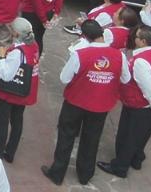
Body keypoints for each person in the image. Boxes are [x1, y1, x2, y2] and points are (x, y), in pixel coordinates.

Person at [40, 19, 131, 185]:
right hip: (101, 105)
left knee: (66, 135)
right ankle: (85, 174)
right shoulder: (120, 56)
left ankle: (57, 172)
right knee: (92, 138)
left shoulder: (80, 54)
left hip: (76, 102)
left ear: (84, 36)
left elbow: (64, 78)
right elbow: (126, 79)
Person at [99, 26, 151, 178]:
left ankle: (120, 167)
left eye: (136, 36)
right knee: (143, 134)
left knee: (127, 136)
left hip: (140, 106)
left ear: (143, 41)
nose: (133, 38)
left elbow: (148, 88)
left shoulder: (141, 62)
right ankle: (136, 159)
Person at [0, 17, 39, 163]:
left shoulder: (17, 52)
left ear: (16, 34)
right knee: (17, 120)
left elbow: (6, 75)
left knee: (3, 122)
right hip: (24, 90)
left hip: (9, 92)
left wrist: (1, 57)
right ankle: (10, 151)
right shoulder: (34, 45)